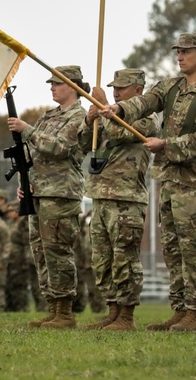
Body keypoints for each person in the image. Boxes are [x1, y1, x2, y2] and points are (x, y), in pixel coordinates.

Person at [102, 33, 196, 332]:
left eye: (186, 51)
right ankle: (180, 309)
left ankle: (195, 314)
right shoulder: (170, 86)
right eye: (178, 51)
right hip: (170, 181)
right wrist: (120, 109)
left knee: (195, 249)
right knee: (172, 248)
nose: (180, 56)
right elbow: (146, 101)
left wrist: (166, 146)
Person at [7, 65, 87, 329]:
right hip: (40, 192)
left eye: (57, 83)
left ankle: (65, 313)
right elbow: (32, 156)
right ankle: (53, 308)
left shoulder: (79, 117)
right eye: (51, 83)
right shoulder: (48, 116)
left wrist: (27, 129)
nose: (52, 87)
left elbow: (59, 148)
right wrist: (24, 183)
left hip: (61, 194)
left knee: (57, 251)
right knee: (40, 251)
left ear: (73, 87)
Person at [78, 68, 156, 331]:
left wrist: (102, 107)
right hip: (100, 196)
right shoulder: (107, 113)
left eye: (122, 88)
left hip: (127, 199)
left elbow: (123, 133)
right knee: (102, 260)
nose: (116, 92)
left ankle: (126, 316)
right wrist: (90, 120)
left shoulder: (148, 117)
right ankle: (113, 310)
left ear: (138, 90)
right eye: (114, 88)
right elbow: (81, 143)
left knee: (125, 258)